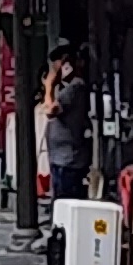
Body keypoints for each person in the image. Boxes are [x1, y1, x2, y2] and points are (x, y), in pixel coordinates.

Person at [43, 45, 96, 202]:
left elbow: (51, 110)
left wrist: (49, 85)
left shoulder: (75, 87)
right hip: (60, 157)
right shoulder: (66, 88)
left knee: (65, 200)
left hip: (69, 158)